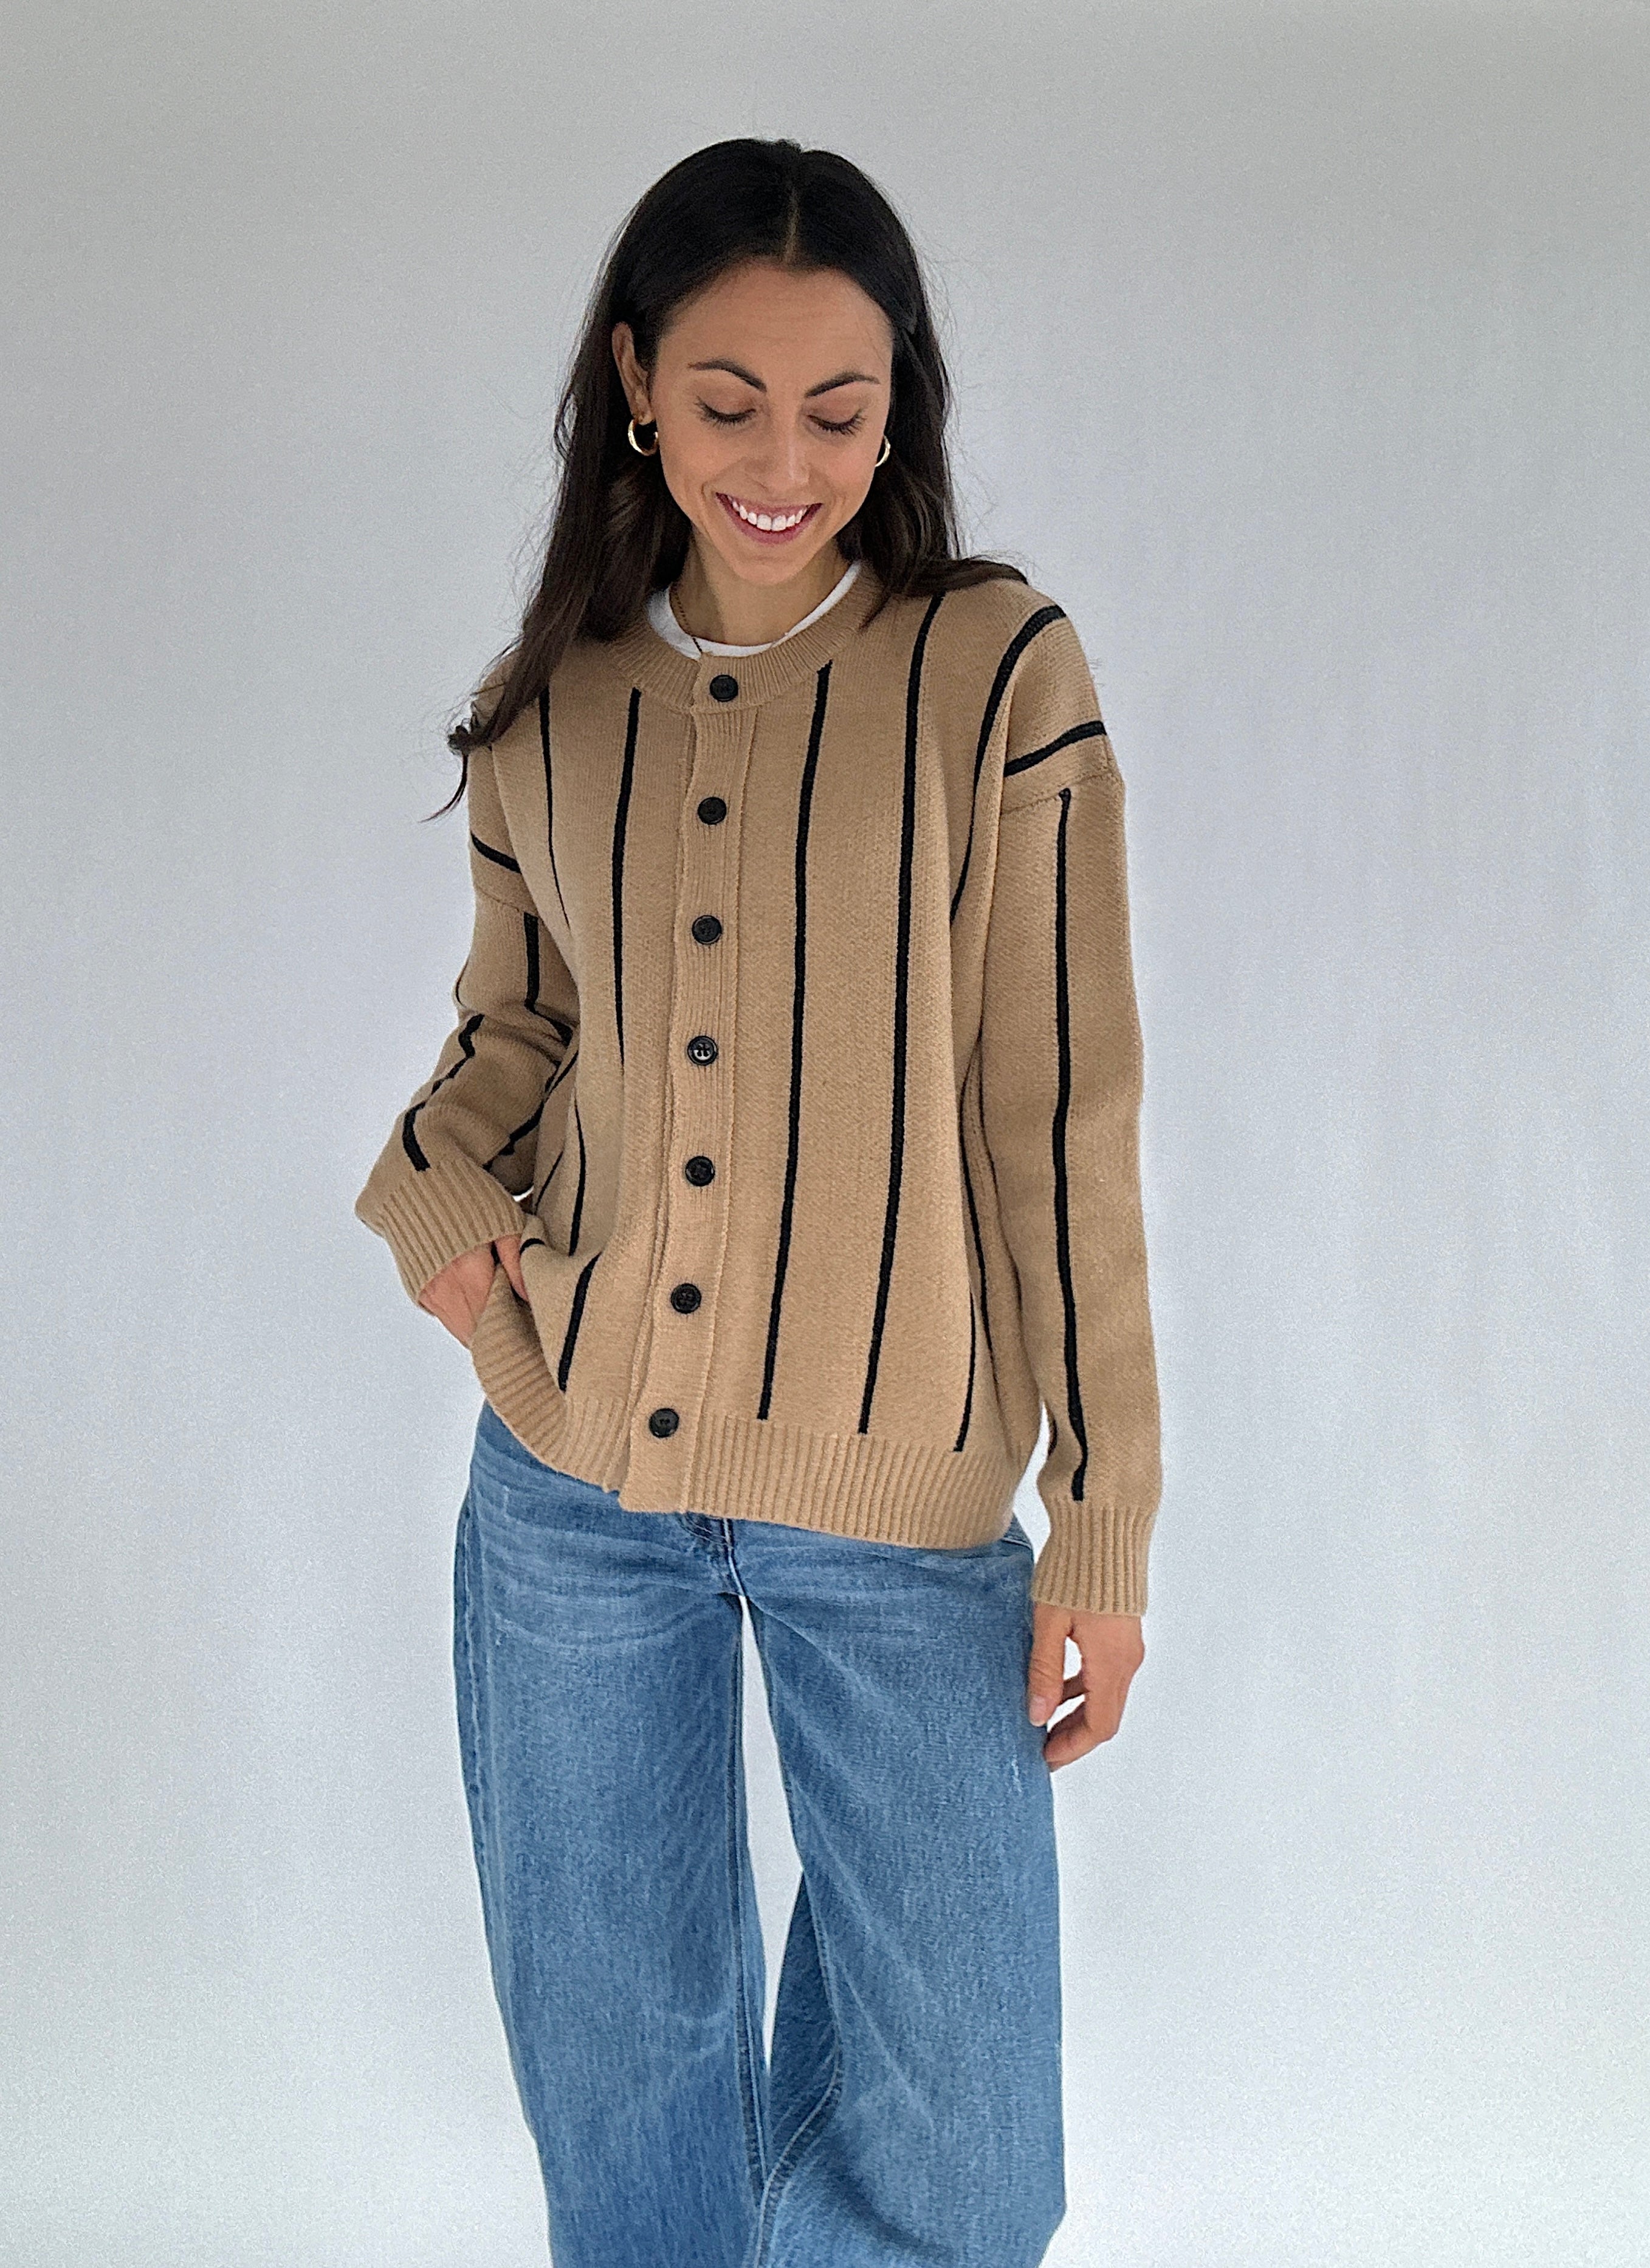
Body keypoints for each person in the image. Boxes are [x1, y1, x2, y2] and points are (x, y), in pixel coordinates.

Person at [354, 137, 1161, 2268]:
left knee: (971, 2156)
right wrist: (436, 1209)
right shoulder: (553, 708)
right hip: (572, 1481)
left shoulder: (995, 674)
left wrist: (1105, 1518)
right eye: (728, 403)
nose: (783, 462)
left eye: (839, 407)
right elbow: (516, 1041)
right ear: (636, 382)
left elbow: (1061, 1118)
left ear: (900, 408)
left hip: (899, 1498)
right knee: (627, 2122)